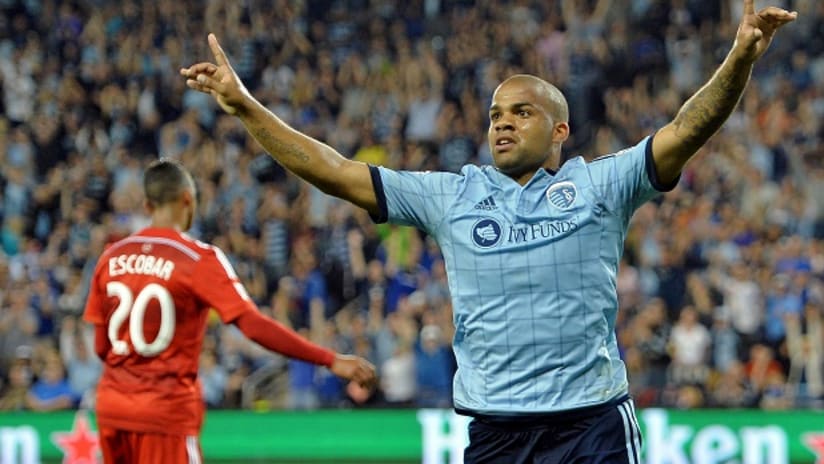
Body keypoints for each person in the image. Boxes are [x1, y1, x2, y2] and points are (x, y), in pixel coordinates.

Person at [181, 1, 796, 462]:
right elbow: (334, 171)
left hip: (593, 427)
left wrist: (740, 54)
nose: (501, 124)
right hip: (494, 432)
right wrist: (244, 106)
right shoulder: (451, 196)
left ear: (560, 130)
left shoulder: (601, 185)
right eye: (496, 114)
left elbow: (688, 127)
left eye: (521, 112)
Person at [83, 159, 376, 464]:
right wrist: (329, 359)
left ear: (147, 205)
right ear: (188, 199)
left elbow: (102, 347)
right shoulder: (197, 259)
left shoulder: (110, 257)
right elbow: (252, 325)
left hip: (112, 409)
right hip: (164, 412)